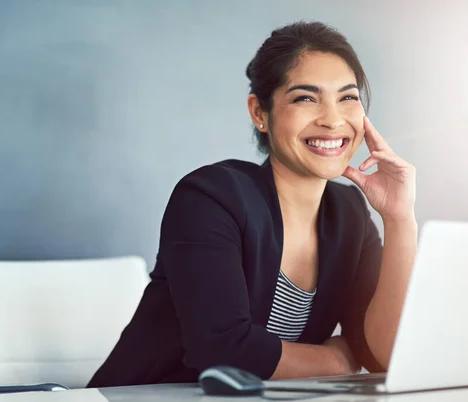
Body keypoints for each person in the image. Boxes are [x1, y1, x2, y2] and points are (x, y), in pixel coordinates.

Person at [87, 20, 417, 388]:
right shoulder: (210, 197)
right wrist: (339, 360)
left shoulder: (349, 213)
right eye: (306, 98)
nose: (332, 119)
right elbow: (225, 352)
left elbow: (383, 354)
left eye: (348, 97)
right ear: (260, 113)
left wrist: (399, 218)